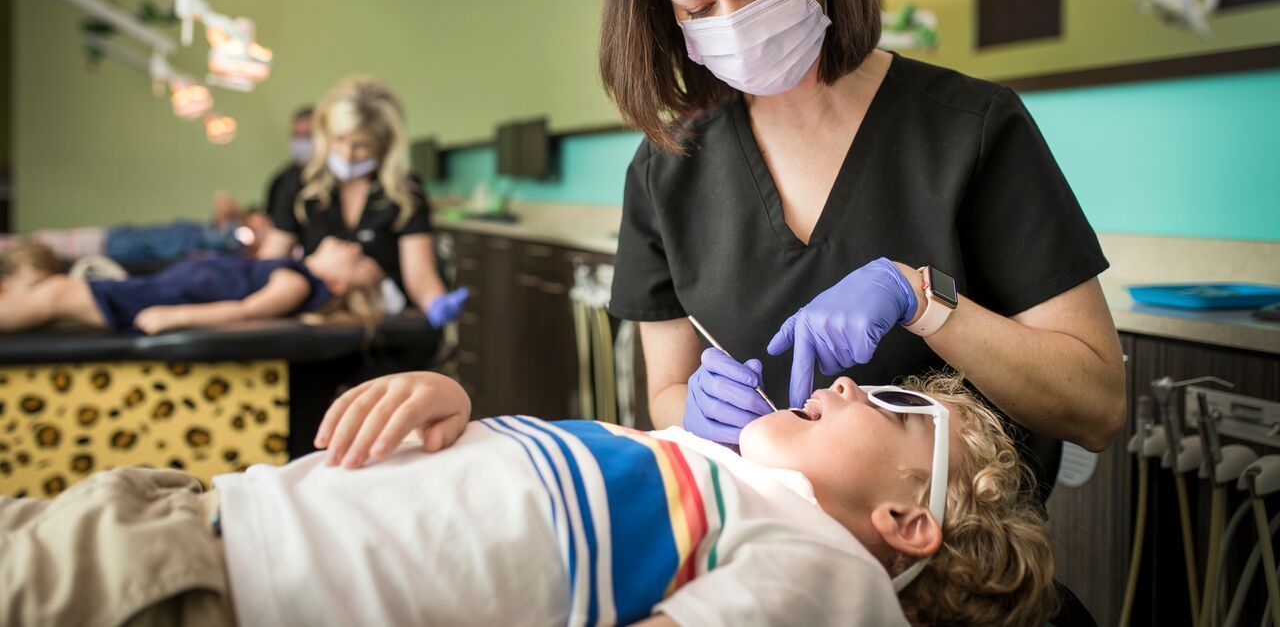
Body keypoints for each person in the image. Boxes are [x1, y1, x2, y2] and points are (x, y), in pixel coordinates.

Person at [599, 0, 1126, 477]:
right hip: (765, 546)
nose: (734, 23)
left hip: (955, 565)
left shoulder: (968, 128)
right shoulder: (666, 169)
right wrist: (693, 414)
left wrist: (927, 304)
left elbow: (1099, 408)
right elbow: (666, 392)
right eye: (697, 7)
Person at [1, 369, 1058, 626]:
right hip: (193, 510)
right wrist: (455, 403)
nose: (837, 382)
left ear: (905, 522)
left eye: (885, 401)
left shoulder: (826, 573)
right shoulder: (719, 480)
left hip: (207, 585)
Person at [259, 78, 467, 328]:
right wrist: (313, 267)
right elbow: (270, 262)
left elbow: (419, 274)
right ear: (325, 134)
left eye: (361, 146)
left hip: (384, 325)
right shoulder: (299, 183)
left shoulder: (405, 191)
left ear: (384, 143)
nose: (347, 154)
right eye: (339, 140)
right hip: (315, 325)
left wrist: (435, 302)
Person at [0, 235, 382, 334]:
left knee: (56, 294)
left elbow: (244, 311)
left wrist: (177, 316)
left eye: (361, 262)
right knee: (50, 292)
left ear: (335, 285)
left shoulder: (296, 283)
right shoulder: (289, 265)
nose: (356, 247)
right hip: (157, 287)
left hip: (161, 298)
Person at [0, 192, 270, 265]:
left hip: (130, 247)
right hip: (129, 238)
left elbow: (223, 233)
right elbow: (222, 200)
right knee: (43, 243)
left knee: (46, 247)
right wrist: (245, 217)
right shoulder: (236, 230)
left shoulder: (238, 243)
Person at [264, 105, 315, 223]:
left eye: (308, 136)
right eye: (297, 135)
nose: (301, 142)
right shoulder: (282, 180)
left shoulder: (334, 179)